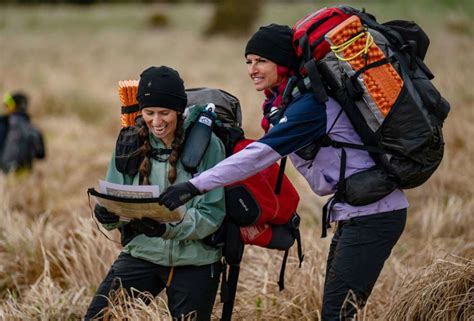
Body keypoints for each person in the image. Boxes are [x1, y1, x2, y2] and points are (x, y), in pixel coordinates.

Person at [157, 24, 409, 320]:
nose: (252, 69)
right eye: (248, 61)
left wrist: (195, 186)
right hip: (356, 210)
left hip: (374, 214)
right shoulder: (287, 104)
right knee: (340, 312)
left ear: (283, 63)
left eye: (261, 60)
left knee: (337, 314)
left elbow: (260, 155)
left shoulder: (312, 107)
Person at [84, 66, 226, 321]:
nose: (157, 122)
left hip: (196, 259)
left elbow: (212, 213)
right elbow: (117, 197)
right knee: (98, 317)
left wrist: (167, 229)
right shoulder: (129, 142)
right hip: (142, 253)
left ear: (179, 111)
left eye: (165, 113)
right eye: (149, 113)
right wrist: (109, 216)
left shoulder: (208, 145)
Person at [0, 92, 45, 174]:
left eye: (7, 105)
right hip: (25, 172)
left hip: (4, 172)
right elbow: (41, 155)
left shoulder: (3, 123)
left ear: (12, 106)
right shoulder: (34, 129)